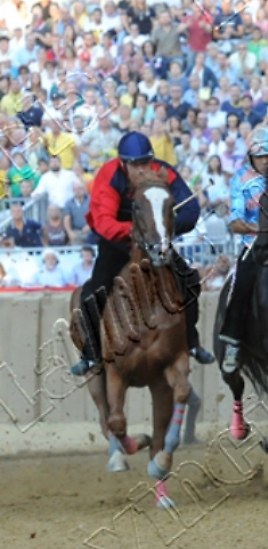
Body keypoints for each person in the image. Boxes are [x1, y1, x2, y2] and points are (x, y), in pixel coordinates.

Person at [70, 132, 212, 376]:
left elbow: (190, 208)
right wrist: (136, 231)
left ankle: (192, 341)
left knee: (189, 280)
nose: (143, 169)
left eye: (145, 162)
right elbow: (104, 223)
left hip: (155, 241)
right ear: (123, 163)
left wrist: (162, 227)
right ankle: (91, 354)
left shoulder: (162, 170)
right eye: (136, 165)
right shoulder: (109, 175)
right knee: (94, 292)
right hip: (118, 244)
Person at [219, 128, 268, 374]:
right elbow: (235, 222)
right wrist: (262, 229)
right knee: (242, 281)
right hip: (254, 244)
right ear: (251, 158)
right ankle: (233, 341)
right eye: (262, 157)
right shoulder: (239, 181)